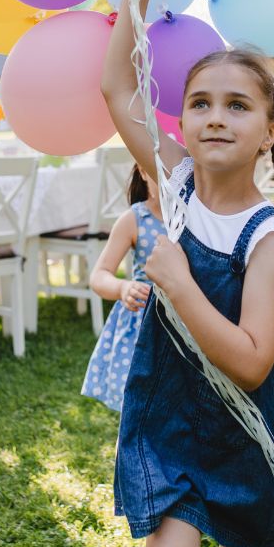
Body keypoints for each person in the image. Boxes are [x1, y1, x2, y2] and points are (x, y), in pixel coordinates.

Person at [101, 0, 274, 547]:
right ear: (181, 122)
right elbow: (118, 91)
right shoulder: (174, 183)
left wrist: (181, 283)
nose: (216, 117)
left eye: (237, 106)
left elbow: (252, 362)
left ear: (268, 133)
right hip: (169, 415)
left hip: (248, 429)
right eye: (199, 104)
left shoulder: (269, 235)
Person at [82, 163, 166, 412]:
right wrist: (122, 288)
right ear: (142, 170)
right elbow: (99, 275)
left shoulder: (198, 218)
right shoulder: (135, 219)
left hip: (189, 321)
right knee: (138, 406)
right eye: (158, 171)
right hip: (145, 324)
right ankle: (130, 446)